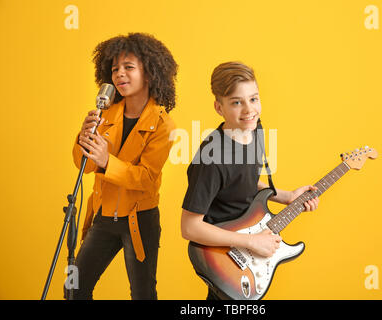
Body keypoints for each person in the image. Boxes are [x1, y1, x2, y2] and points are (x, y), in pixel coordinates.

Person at [181, 61, 320, 300]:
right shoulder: (210, 159)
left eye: (253, 99)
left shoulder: (255, 130)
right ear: (218, 107)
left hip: (249, 248)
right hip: (226, 258)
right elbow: (189, 227)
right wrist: (250, 241)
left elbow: (243, 182)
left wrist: (287, 197)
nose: (249, 110)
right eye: (237, 102)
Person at [70, 32, 177, 300]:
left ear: (149, 74)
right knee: (74, 288)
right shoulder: (105, 114)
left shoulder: (163, 125)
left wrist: (107, 161)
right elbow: (83, 165)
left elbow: (146, 179)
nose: (119, 74)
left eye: (128, 67)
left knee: (142, 294)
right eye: (115, 68)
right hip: (104, 217)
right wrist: (82, 141)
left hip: (139, 220)